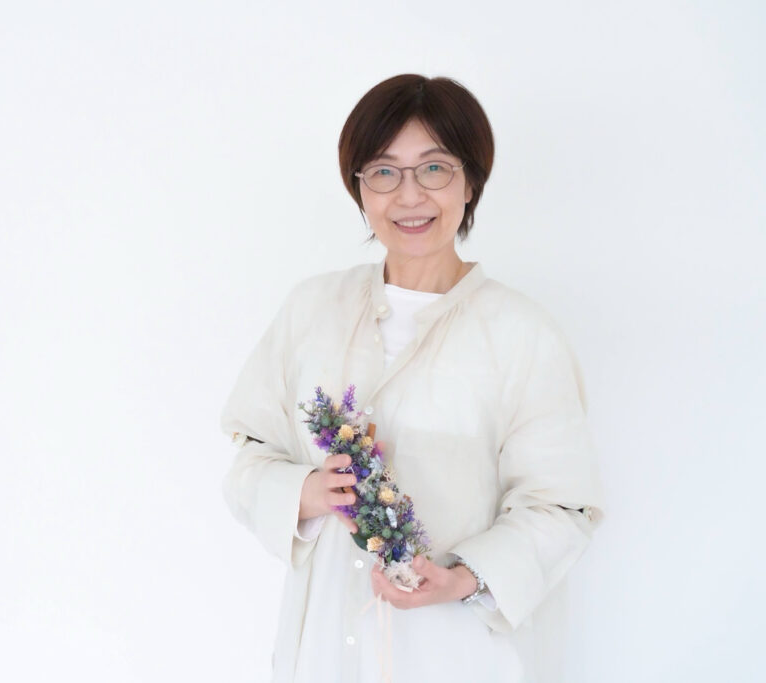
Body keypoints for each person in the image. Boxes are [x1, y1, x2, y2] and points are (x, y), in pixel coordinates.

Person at [220, 74, 604, 683]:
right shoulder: (312, 310)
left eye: (433, 168)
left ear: (470, 181)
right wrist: (308, 491)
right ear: (359, 187)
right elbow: (249, 456)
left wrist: (464, 578)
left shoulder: (522, 333)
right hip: (325, 651)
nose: (409, 195)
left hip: (454, 654)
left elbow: (561, 505)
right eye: (383, 171)